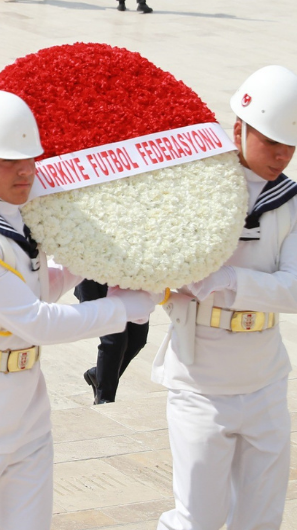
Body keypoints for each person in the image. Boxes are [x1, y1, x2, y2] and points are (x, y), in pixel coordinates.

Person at [0, 90, 154, 528]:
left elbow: (40, 288)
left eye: (30, 158)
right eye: (7, 160)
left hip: (26, 420)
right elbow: (35, 320)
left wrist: (96, 260)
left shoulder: (21, 222)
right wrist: (123, 308)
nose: (25, 170)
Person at [152, 65, 297, 530]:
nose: (281, 156)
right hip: (201, 381)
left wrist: (229, 282)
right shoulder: (195, 187)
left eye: (289, 146)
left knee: (261, 519)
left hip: (265, 378)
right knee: (199, 518)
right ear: (238, 128)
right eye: (271, 142)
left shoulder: (291, 201)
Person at [77, 280, 146, 404]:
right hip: (100, 285)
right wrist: (87, 300)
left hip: (132, 284)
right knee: (114, 342)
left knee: (137, 339)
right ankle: (104, 399)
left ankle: (98, 374)